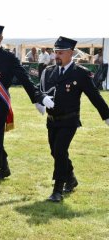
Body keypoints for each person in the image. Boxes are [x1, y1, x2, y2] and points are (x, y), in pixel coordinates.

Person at [0, 25, 53, 189]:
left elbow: (25, 78)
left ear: (0, 38)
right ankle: (4, 167)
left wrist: (38, 97)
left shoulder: (9, 58)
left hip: (0, 106)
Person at [35, 36, 109, 202]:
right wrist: (42, 99)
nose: (57, 56)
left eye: (61, 52)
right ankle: (71, 178)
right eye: (55, 52)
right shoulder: (48, 71)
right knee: (55, 152)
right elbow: (38, 90)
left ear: (71, 53)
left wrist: (106, 115)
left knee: (60, 151)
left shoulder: (80, 73)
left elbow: (94, 96)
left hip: (69, 120)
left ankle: (57, 190)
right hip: (52, 120)